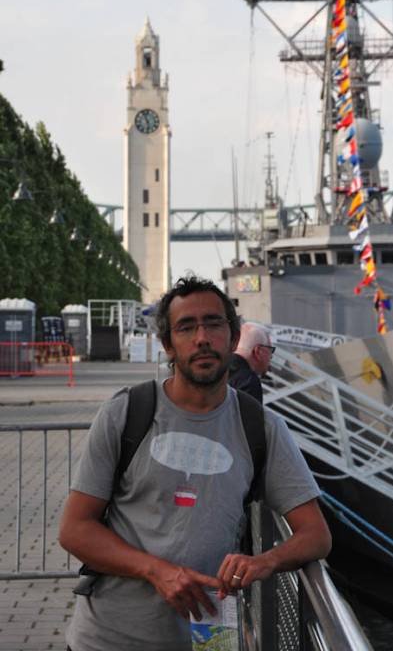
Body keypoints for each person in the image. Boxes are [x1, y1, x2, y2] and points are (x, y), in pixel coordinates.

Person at [59, 274, 331, 651]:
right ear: (168, 346)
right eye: (186, 327)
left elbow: (316, 535)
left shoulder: (262, 428)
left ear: (233, 339)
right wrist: (157, 571)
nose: (202, 338)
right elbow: (74, 529)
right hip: (108, 640)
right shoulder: (126, 413)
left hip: (207, 641)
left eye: (213, 324)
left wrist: (267, 561)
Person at [228, 321, 275, 403]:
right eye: (270, 350)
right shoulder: (249, 381)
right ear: (258, 351)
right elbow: (248, 415)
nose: (271, 356)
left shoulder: (219, 369)